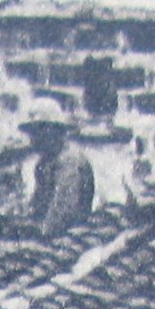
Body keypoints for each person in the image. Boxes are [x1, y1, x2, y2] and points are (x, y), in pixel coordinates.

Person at [19, 99, 94, 237]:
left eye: (37, 132)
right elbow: (38, 204)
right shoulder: (44, 164)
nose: (32, 139)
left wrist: (41, 234)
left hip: (72, 236)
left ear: (53, 130)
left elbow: (63, 209)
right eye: (32, 133)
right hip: (51, 231)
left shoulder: (70, 161)